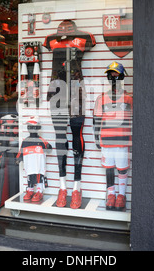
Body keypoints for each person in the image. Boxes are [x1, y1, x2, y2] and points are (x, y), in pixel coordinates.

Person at [43, 19, 96, 209]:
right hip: (56, 90)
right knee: (59, 136)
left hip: (76, 91)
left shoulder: (84, 38)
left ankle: (77, 186)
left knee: (76, 135)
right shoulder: (50, 39)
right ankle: (62, 186)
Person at [93, 62, 132, 211]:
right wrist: (97, 137)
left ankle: (121, 195)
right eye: (111, 75)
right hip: (107, 140)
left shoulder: (129, 99)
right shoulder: (101, 98)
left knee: (122, 168)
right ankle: (111, 194)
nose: (113, 78)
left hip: (122, 141)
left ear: (122, 77)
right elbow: (96, 119)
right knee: (109, 168)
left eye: (116, 75)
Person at [16, 117, 52, 202]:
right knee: (30, 176)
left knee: (39, 176)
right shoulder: (25, 141)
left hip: (39, 165)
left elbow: (49, 148)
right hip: (29, 165)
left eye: (32, 126)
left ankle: (39, 191)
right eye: (29, 126)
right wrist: (18, 158)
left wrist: (48, 147)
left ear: (38, 128)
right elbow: (20, 151)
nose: (30, 129)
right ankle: (30, 190)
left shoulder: (41, 140)